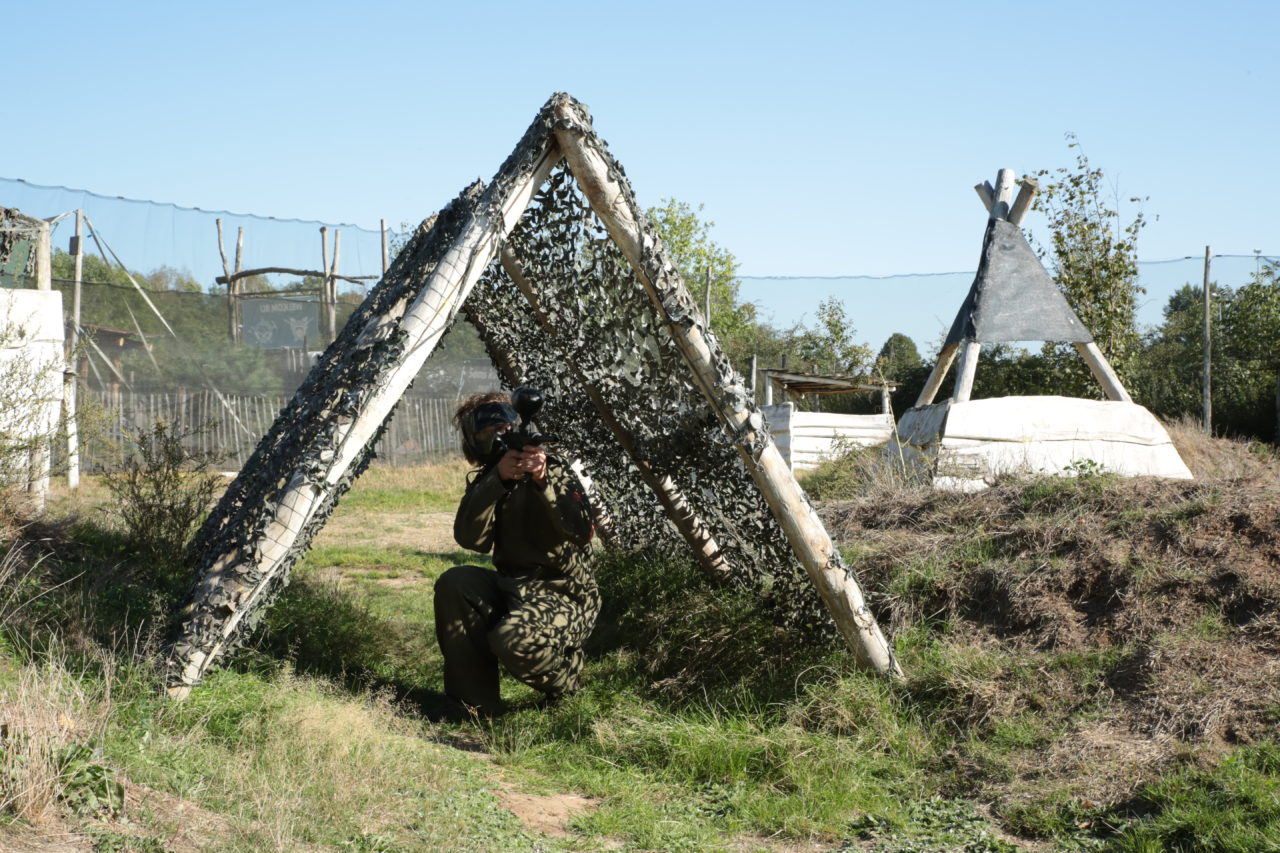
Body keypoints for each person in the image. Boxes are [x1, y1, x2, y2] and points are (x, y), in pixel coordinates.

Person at [432, 391, 598, 719]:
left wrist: (541, 479)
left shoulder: (555, 470)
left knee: (511, 638)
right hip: (513, 589)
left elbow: (581, 531)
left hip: (566, 596)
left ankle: (568, 683)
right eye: (485, 435)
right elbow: (470, 538)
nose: (496, 440)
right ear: (473, 444)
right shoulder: (490, 480)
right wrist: (498, 481)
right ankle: (475, 706)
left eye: (502, 431)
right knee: (455, 583)